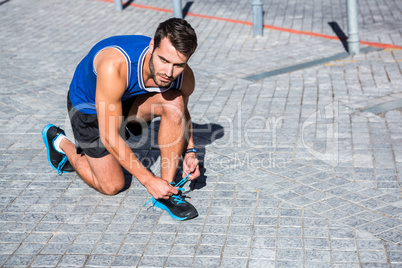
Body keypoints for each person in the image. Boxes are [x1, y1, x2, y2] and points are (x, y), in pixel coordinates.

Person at [42, 18, 200, 221]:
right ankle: (60, 142)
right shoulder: (114, 65)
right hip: (89, 105)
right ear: (152, 46)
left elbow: (182, 113)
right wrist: (148, 180)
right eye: (164, 60)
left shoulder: (184, 76)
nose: (169, 73)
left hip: (125, 98)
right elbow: (109, 136)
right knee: (112, 186)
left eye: (179, 65)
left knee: (174, 102)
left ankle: (165, 193)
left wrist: (190, 151)